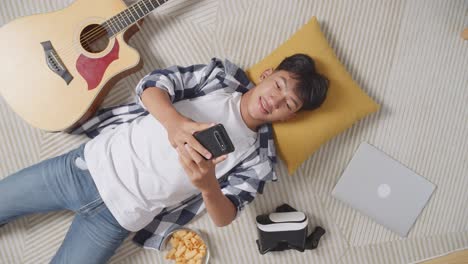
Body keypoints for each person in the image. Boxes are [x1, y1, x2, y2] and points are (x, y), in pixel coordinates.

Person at [0, 54, 328, 263]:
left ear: (290, 118)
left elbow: (225, 217)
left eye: (289, 105)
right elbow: (153, 84)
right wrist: (176, 125)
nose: (276, 101)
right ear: (268, 73)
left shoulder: (259, 161)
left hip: (118, 219)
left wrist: (208, 185)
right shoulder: (218, 79)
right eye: (279, 86)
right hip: (84, 168)